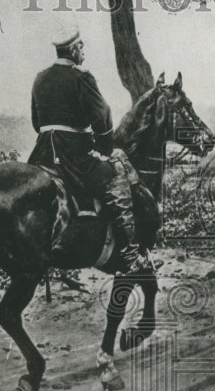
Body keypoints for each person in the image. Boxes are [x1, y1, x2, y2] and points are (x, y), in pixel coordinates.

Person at [28, 28, 149, 275]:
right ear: (73, 50)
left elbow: (36, 122)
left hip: (43, 153)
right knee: (117, 176)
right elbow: (102, 117)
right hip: (74, 154)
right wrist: (103, 149)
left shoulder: (39, 78)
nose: (83, 51)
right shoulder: (81, 77)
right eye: (81, 47)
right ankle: (130, 254)